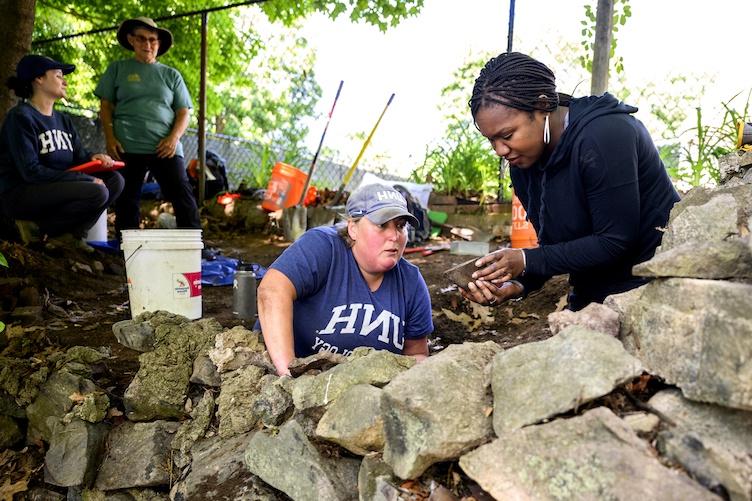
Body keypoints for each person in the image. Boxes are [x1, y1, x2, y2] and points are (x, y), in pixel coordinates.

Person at [463, 52, 680, 311]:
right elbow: (555, 248)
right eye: (491, 140)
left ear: (543, 106)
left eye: (507, 135)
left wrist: (525, 259)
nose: (500, 150)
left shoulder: (604, 134)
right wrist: (519, 284)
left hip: (652, 289)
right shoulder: (523, 162)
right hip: (592, 291)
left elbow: (615, 240)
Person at [257, 184, 433, 376]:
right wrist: (288, 376)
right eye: (382, 225)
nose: (394, 236)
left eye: (400, 226)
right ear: (353, 228)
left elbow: (416, 354)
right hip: (296, 379)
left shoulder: (411, 282)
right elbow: (272, 291)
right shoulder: (323, 247)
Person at [0, 54, 124, 244]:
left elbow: (79, 158)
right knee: (97, 191)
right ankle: (38, 230)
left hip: (55, 189)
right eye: (58, 75)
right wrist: (87, 179)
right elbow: (30, 172)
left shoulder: (63, 120)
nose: (65, 81)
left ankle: (70, 236)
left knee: (115, 181)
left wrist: (94, 158)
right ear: (39, 78)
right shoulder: (20, 117)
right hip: (21, 193)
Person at [94, 16, 200, 237]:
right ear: (131, 40)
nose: (148, 44)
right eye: (141, 39)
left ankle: (193, 246)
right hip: (126, 146)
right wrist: (110, 138)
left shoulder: (171, 75)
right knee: (127, 198)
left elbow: (184, 112)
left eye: (153, 40)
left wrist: (174, 138)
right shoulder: (118, 69)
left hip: (166, 146)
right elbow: (105, 106)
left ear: (158, 44)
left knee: (183, 195)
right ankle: (129, 249)